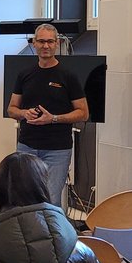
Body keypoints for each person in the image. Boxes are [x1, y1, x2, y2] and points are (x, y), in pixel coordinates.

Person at [6, 23, 88, 209]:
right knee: (23, 198)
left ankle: (54, 237)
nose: (46, 46)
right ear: (34, 43)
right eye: (41, 41)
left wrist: (53, 118)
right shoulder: (24, 75)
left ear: (57, 43)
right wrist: (24, 114)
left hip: (57, 150)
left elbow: (83, 113)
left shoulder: (68, 76)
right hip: (27, 147)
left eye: (50, 41)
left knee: (50, 201)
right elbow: (12, 109)